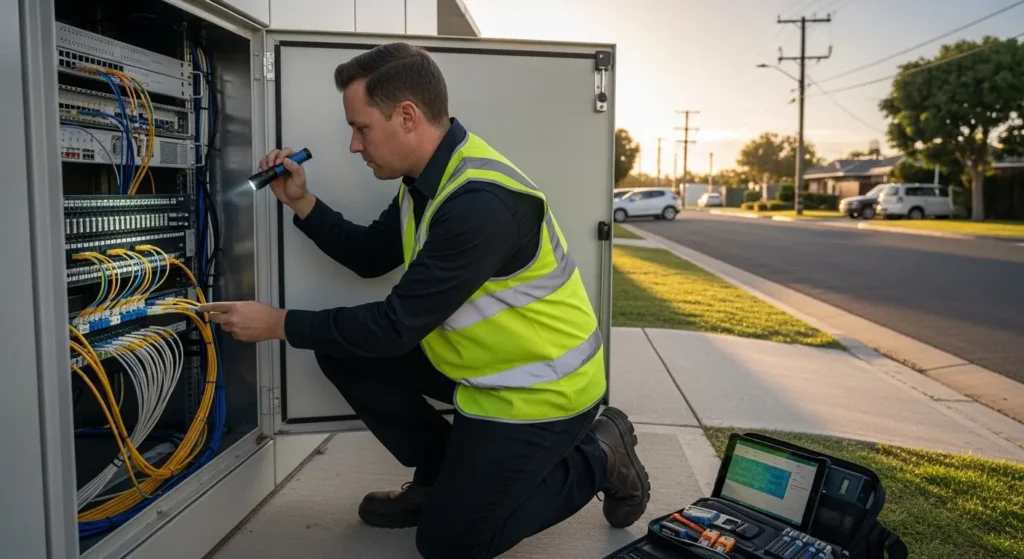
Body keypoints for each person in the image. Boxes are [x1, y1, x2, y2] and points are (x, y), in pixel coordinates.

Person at [198, 42, 650, 559]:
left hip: (542, 391)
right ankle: (442, 477)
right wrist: (301, 201)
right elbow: (372, 255)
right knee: (343, 350)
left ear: (407, 116)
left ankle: (601, 452)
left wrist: (279, 322)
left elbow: (394, 326)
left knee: (450, 543)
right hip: (484, 369)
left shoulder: (480, 204)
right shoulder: (425, 180)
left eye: (361, 128)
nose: (353, 145)